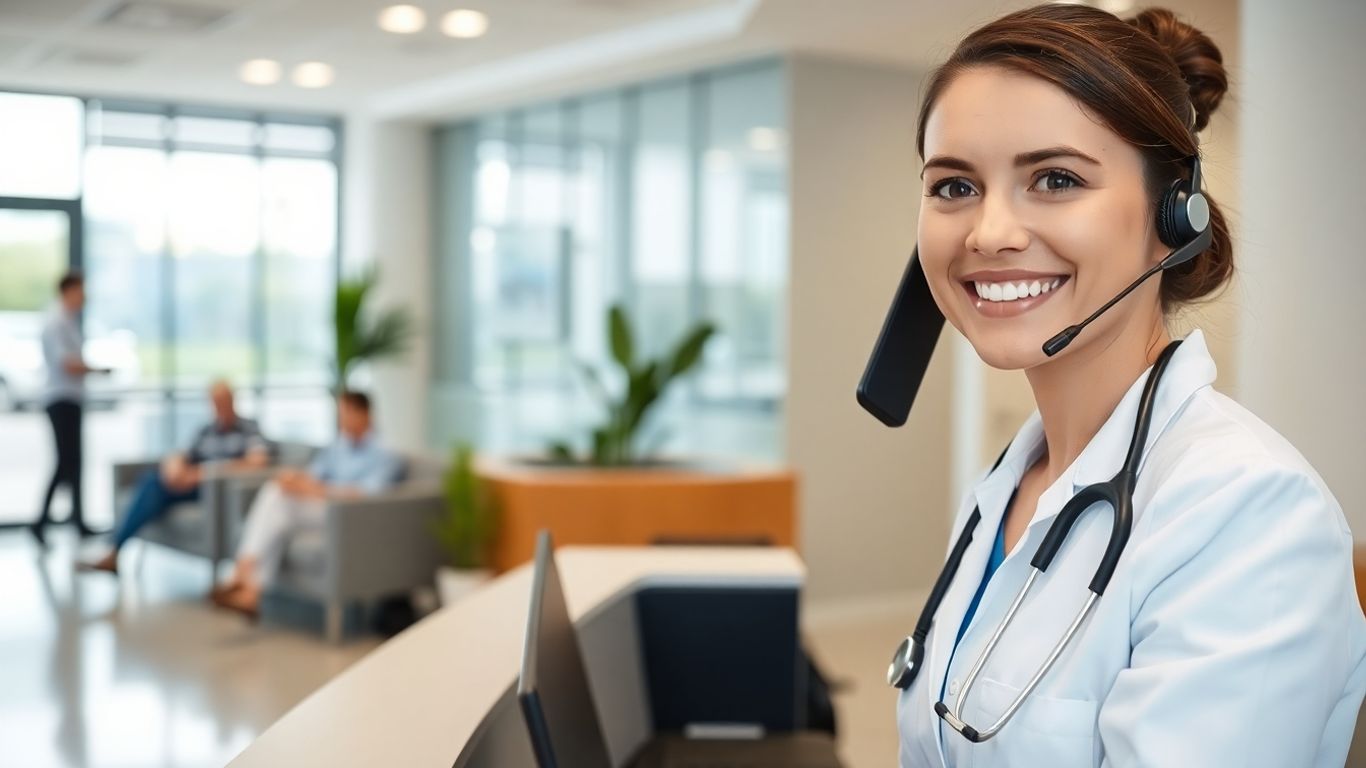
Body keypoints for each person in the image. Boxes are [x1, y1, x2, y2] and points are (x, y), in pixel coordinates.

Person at [894, 5, 1366, 767]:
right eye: (954, 186)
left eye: (1054, 179)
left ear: (1174, 216)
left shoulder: (1249, 514)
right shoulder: (1006, 492)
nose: (989, 233)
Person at [210, 390, 403, 619]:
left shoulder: (383, 453)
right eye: (340, 414)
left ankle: (242, 575)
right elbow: (314, 475)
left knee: (276, 502)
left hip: (346, 515)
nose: (341, 419)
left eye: (346, 413)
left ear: (365, 414)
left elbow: (364, 495)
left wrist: (315, 490)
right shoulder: (338, 446)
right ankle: (251, 591)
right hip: (317, 505)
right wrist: (296, 481)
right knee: (277, 497)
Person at [77, 380, 271, 575]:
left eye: (224, 401)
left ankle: (113, 550)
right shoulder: (207, 430)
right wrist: (175, 468)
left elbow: (256, 462)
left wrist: (201, 474)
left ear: (233, 400)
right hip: (188, 484)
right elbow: (182, 453)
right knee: (153, 481)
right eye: (215, 402)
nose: (220, 407)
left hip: (216, 490)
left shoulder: (248, 428)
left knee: (153, 486)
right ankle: (114, 549)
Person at [32, 272, 109, 546]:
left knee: (73, 463)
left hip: (72, 399)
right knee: (66, 462)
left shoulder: (69, 321)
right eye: (82, 290)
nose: (85, 296)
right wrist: (97, 369)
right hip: (60, 399)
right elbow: (67, 364)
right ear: (69, 290)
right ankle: (40, 522)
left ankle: (76, 521)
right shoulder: (56, 322)